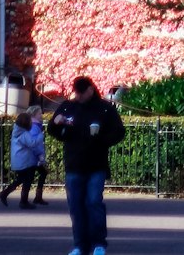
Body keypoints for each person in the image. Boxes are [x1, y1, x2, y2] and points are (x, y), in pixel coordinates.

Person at [47, 75, 126, 255]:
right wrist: (55, 124)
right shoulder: (68, 107)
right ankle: (80, 245)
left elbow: (119, 131)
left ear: (91, 89)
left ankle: (98, 243)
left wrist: (102, 139)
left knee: (93, 202)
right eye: (76, 92)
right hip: (74, 164)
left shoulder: (105, 109)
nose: (78, 96)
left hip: (96, 164)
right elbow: (54, 130)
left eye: (81, 93)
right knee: (76, 206)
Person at [0, 110, 40, 208]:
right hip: (26, 162)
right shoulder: (25, 134)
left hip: (18, 161)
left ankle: (5, 193)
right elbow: (32, 143)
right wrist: (39, 137)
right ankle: (23, 201)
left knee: (20, 179)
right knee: (27, 181)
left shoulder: (16, 132)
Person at [29, 104, 48, 205]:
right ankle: (36, 197)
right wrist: (40, 156)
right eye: (39, 113)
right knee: (27, 177)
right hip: (34, 157)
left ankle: (37, 197)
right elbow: (35, 143)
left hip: (34, 156)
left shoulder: (35, 126)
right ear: (34, 114)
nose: (41, 115)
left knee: (42, 173)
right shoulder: (34, 126)